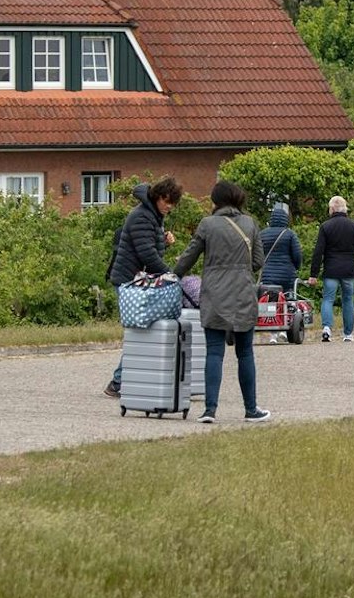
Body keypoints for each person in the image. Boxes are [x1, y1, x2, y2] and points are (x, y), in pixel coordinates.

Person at [173, 180, 269, 423]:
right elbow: (258, 260)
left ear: (216, 201)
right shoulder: (250, 224)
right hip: (243, 294)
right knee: (245, 352)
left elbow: (189, 256)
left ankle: (210, 410)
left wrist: (174, 275)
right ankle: (251, 409)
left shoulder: (208, 224)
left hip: (214, 293)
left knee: (214, 353)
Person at [103, 178, 181, 398]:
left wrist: (163, 241)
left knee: (143, 330)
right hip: (129, 282)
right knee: (140, 331)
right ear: (157, 197)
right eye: (167, 201)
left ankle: (121, 381)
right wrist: (171, 274)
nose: (169, 206)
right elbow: (146, 253)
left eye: (172, 203)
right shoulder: (141, 216)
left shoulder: (154, 216)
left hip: (139, 281)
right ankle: (118, 383)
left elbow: (149, 247)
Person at [307, 195, 354, 342]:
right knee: (348, 300)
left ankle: (327, 328)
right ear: (345, 208)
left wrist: (313, 274)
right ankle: (348, 334)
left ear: (332, 208)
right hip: (348, 271)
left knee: (328, 299)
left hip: (331, 270)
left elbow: (318, 251)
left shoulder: (326, 226)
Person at [257, 202, 303, 298]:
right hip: (287, 275)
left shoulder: (262, 234)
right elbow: (297, 255)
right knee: (287, 299)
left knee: (268, 298)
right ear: (285, 220)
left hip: (267, 275)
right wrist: (296, 267)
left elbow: (258, 255)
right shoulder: (290, 234)